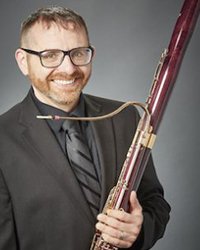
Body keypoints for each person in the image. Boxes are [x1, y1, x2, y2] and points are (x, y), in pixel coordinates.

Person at [0, 6, 170, 250]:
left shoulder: (126, 118)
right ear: (23, 61)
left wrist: (139, 230)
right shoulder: (2, 140)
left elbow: (155, 202)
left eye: (78, 53)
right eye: (50, 55)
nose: (69, 69)